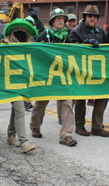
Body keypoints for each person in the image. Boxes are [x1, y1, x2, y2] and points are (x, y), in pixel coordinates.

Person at [31, 8, 77, 146]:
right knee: (41, 103)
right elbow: (33, 55)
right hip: (46, 77)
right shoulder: (43, 36)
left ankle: (66, 136)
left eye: (63, 18)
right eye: (58, 18)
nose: (61, 20)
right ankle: (35, 127)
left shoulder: (67, 37)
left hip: (63, 77)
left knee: (68, 103)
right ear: (51, 21)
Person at [67, 5, 109, 137]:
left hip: (98, 70)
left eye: (95, 16)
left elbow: (107, 49)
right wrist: (85, 43)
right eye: (90, 16)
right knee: (80, 99)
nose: (92, 18)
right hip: (81, 70)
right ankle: (79, 126)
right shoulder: (76, 31)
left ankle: (97, 127)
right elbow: (70, 48)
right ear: (85, 17)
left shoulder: (101, 31)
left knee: (102, 97)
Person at [0, 19, 37, 153]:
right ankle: (24, 142)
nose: (20, 31)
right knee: (20, 109)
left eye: (23, 29)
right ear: (11, 31)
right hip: (10, 83)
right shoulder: (5, 44)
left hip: (24, 83)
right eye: (16, 29)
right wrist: (2, 45)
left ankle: (11, 135)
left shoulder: (30, 45)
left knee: (17, 109)